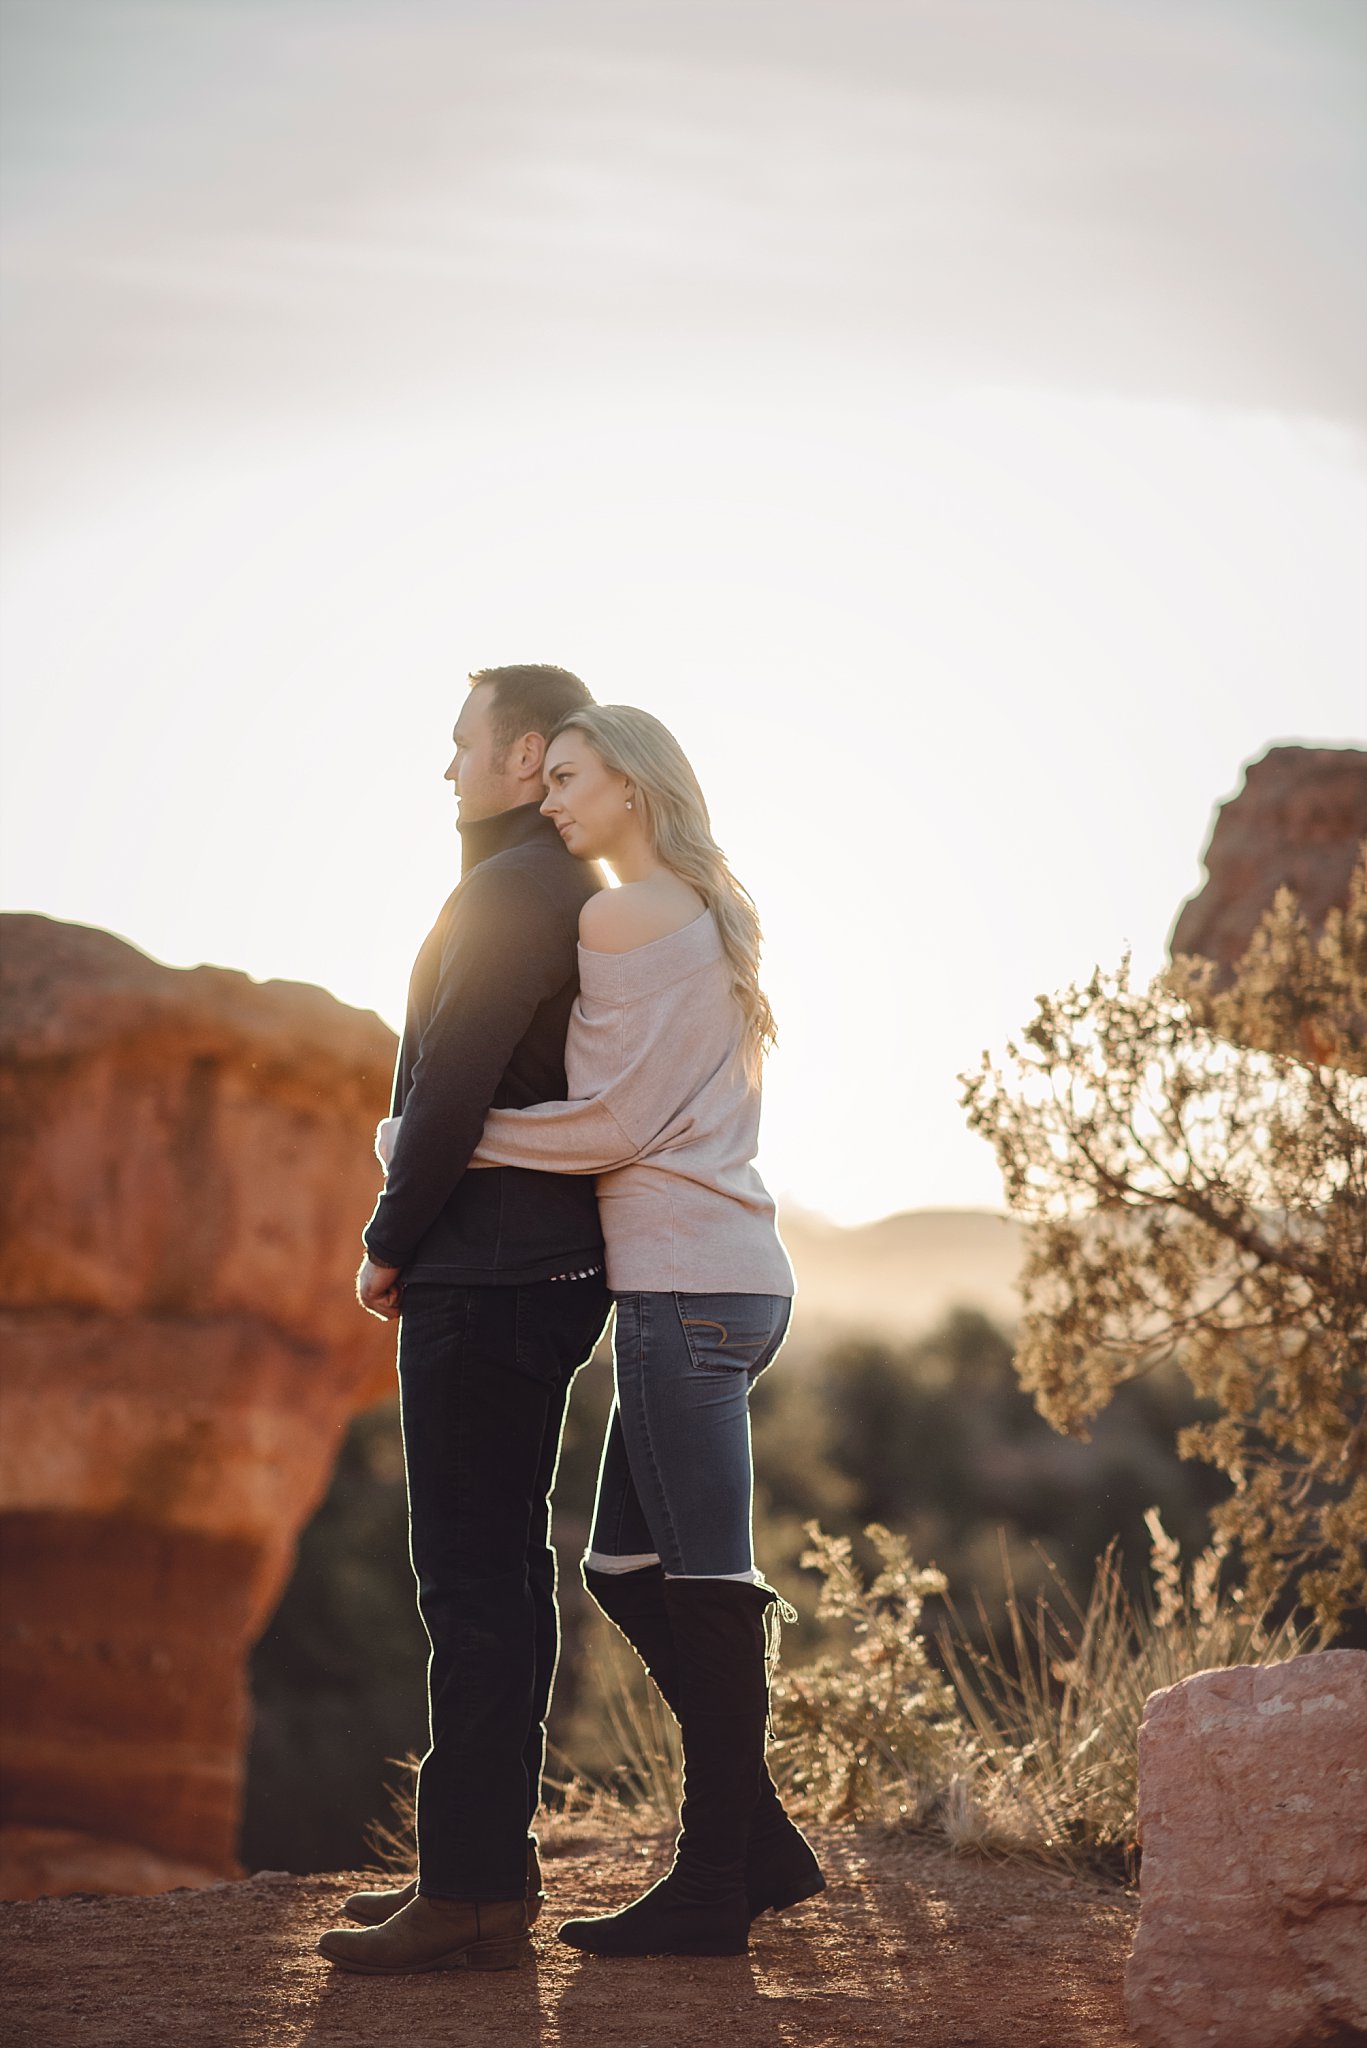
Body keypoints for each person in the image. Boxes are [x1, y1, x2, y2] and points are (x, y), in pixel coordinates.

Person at [463, 702, 825, 1958]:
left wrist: (435, 1137)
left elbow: (603, 1121)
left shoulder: (623, 914)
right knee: (622, 1566)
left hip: (685, 1289)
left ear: (631, 781)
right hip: (730, 1285)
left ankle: (716, 1884)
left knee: (709, 1577)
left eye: (567, 777)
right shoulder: (708, 908)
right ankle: (761, 1838)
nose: (548, 799)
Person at [317, 664, 612, 1978]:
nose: (444, 769)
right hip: (518, 1276)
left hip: (484, 1283)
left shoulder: (509, 894)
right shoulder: (549, 891)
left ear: (523, 752)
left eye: (460, 744)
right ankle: (476, 1877)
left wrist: (389, 1238)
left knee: (473, 1585)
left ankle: (477, 1892)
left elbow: (445, 1089)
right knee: (495, 1580)